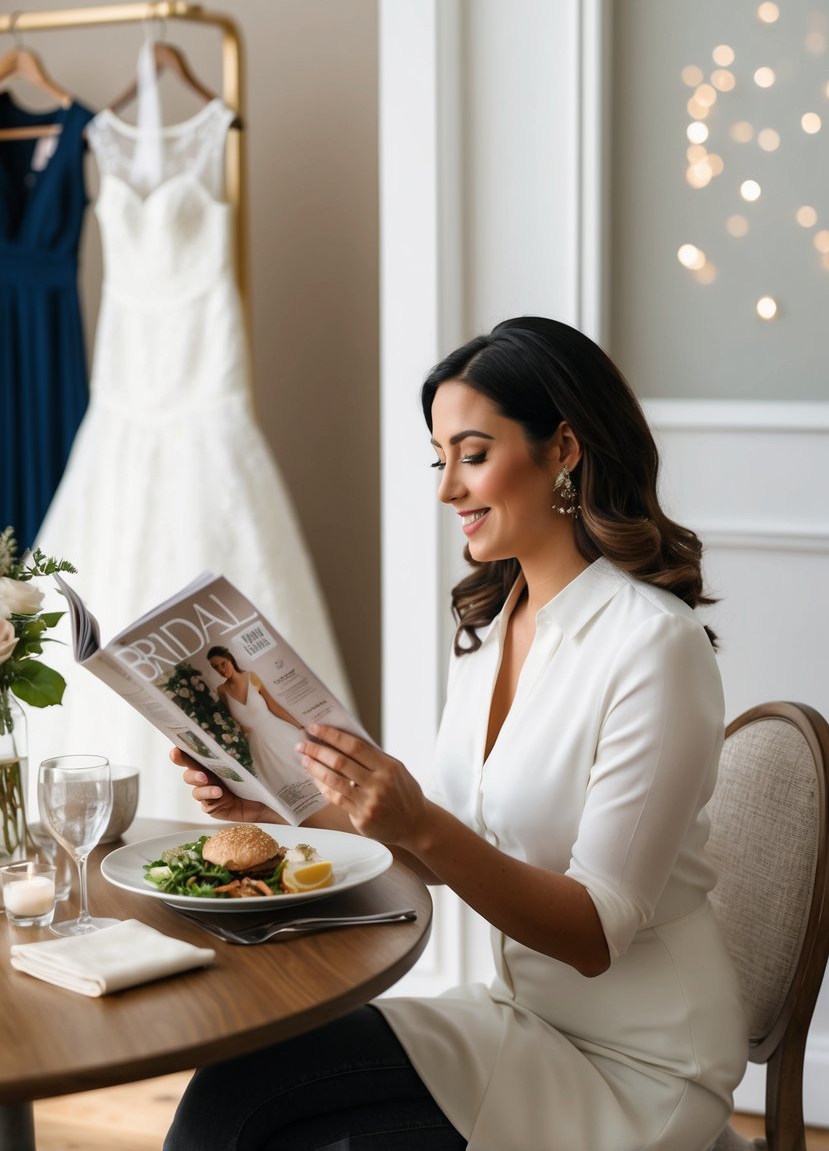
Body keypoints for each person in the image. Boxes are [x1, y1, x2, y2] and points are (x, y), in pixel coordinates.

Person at [164, 317, 748, 1151]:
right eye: (440, 459)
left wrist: (418, 821)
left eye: (472, 455)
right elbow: (446, 849)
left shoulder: (654, 646)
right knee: (235, 1087)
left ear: (564, 450)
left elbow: (593, 934)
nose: (447, 489)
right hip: (520, 1018)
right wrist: (269, 807)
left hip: (643, 1064)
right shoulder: (491, 622)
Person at [205, 646, 308, 797]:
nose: (221, 669)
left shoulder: (251, 676)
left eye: (223, 663)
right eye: (215, 667)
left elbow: (274, 706)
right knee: (282, 784)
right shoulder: (222, 691)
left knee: (303, 770)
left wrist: (299, 726)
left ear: (230, 659)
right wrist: (240, 729)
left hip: (278, 731)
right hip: (256, 743)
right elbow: (232, 720)